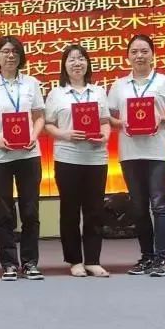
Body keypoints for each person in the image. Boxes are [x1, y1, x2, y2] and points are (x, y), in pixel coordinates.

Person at [108, 34, 165, 277]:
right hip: (130, 153)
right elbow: (109, 118)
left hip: (157, 152)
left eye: (144, 51)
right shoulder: (119, 85)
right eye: (134, 52)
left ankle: (161, 258)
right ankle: (146, 256)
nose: (139, 56)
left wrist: (161, 118)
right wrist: (122, 122)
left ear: (153, 55)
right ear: (127, 57)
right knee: (138, 207)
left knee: (159, 205)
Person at [0, 36, 46, 281]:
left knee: (30, 210)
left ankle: (30, 262)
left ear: (21, 56)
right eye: (5, 51)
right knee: (3, 211)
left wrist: (34, 136)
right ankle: (8, 263)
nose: (10, 56)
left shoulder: (32, 83)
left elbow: (39, 116)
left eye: (15, 51)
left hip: (28, 153)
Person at [44, 45, 112, 278]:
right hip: (67, 158)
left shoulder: (98, 91)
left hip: (96, 158)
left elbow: (105, 121)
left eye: (81, 58)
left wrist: (105, 136)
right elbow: (48, 125)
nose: (77, 63)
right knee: (70, 210)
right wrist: (65, 134)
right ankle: (74, 260)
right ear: (64, 65)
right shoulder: (56, 94)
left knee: (95, 210)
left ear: (87, 64)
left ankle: (93, 260)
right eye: (71, 59)